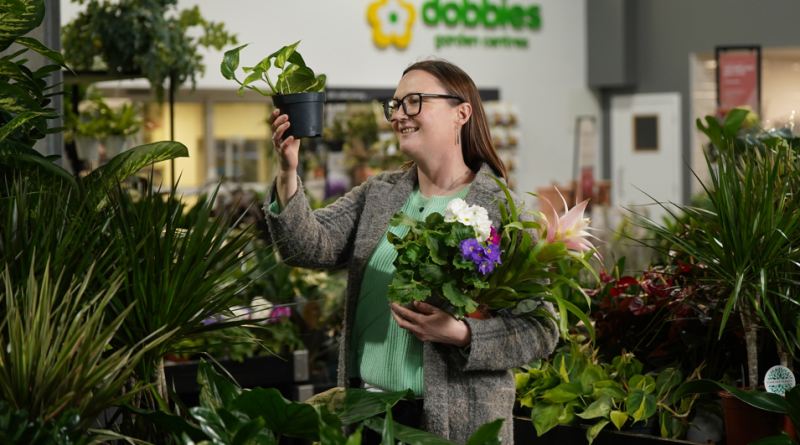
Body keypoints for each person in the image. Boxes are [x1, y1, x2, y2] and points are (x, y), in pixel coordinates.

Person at [263, 59, 558, 445]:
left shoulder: (504, 211)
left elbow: (541, 328)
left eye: (414, 101)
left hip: (455, 421)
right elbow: (306, 246)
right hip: (366, 411)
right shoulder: (380, 193)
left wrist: (462, 334)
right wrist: (288, 171)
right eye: (396, 104)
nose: (399, 114)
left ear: (461, 113)